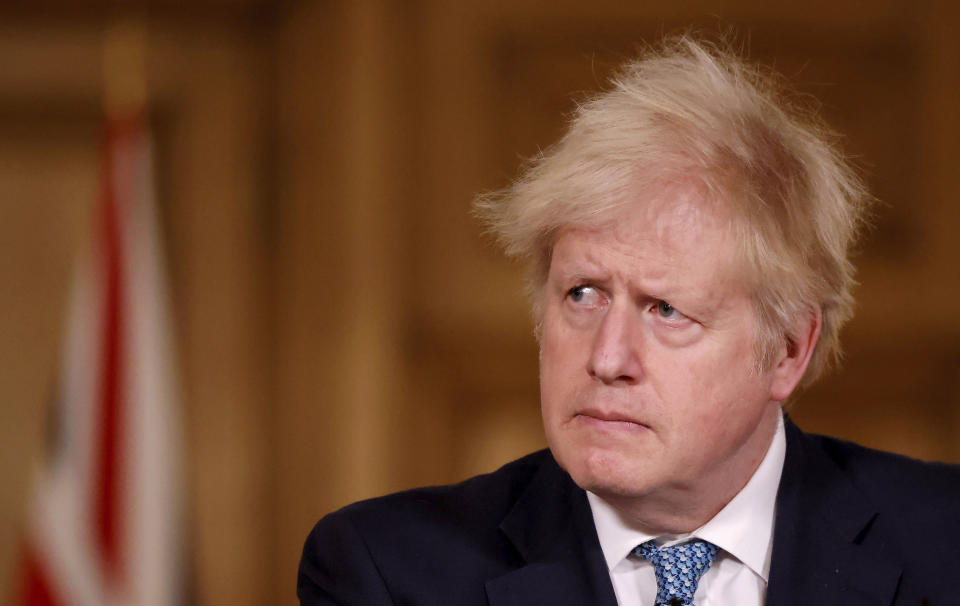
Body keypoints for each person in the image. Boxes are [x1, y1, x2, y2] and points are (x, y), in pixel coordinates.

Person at [297, 35, 960, 606]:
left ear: (787, 349)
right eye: (583, 294)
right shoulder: (389, 573)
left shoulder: (946, 544)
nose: (607, 358)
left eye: (666, 310)